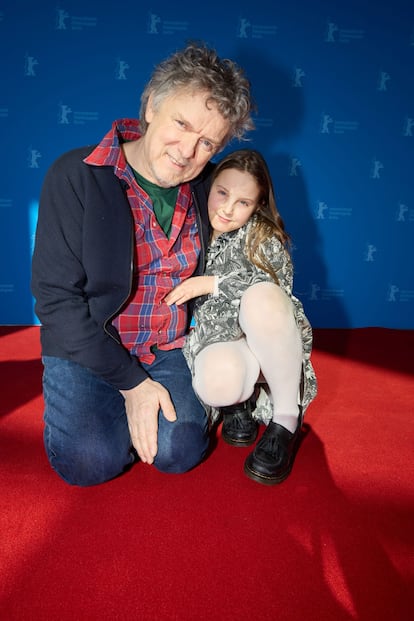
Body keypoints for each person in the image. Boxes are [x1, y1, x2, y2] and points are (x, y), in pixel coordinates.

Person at [31, 42, 255, 486]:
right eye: (181, 123)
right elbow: (56, 302)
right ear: (151, 105)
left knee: (181, 450)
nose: (187, 151)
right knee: (90, 463)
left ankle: (138, 417)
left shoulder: (210, 190)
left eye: (207, 141)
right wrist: (132, 384)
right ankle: (107, 416)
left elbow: (254, 254)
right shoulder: (75, 174)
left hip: (168, 347)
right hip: (89, 348)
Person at [165, 149, 317, 485]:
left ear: (258, 205)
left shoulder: (262, 234)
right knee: (219, 385)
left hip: (267, 339)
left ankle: (286, 421)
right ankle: (238, 403)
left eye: (243, 202)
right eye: (222, 193)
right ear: (211, 184)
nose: (228, 209)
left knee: (263, 296)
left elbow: (278, 290)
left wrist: (212, 282)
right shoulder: (192, 222)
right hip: (219, 340)